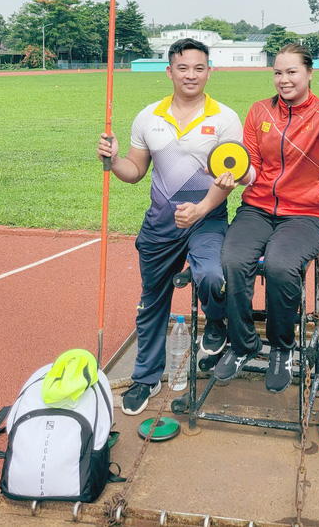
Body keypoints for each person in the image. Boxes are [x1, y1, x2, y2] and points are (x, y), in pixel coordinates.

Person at [97, 38, 243, 415]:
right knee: (151, 303)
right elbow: (135, 170)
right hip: (160, 225)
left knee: (211, 275)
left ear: (209, 71)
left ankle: (216, 325)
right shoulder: (148, 117)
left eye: (199, 68)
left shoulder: (225, 118)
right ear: (170, 71)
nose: (191, 75)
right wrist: (113, 161)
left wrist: (203, 207)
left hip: (207, 218)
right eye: (183, 67)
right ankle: (146, 378)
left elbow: (232, 174)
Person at [214, 40, 319, 393]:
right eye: (278, 72)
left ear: (310, 74)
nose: (283, 79)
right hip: (257, 209)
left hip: (307, 216)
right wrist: (236, 175)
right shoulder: (259, 111)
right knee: (233, 260)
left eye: (292, 72)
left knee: (281, 265)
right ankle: (242, 344)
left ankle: (282, 348)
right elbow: (251, 166)